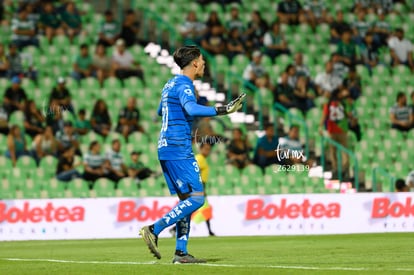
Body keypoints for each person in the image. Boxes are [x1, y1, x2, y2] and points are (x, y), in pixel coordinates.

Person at [139, 45, 245, 263]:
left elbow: (161, 110)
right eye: (202, 59)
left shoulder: (170, 84)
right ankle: (154, 228)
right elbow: (191, 109)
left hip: (166, 145)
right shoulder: (185, 84)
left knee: (186, 200)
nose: (204, 63)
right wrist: (224, 110)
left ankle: (180, 252)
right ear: (195, 62)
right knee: (197, 199)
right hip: (178, 147)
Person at [319, 88, 352, 179]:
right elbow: (348, 114)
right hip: (340, 130)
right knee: (342, 151)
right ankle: (342, 170)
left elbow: (324, 116)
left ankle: (337, 169)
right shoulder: (343, 104)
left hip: (335, 130)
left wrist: (320, 126)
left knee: (334, 152)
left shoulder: (329, 104)